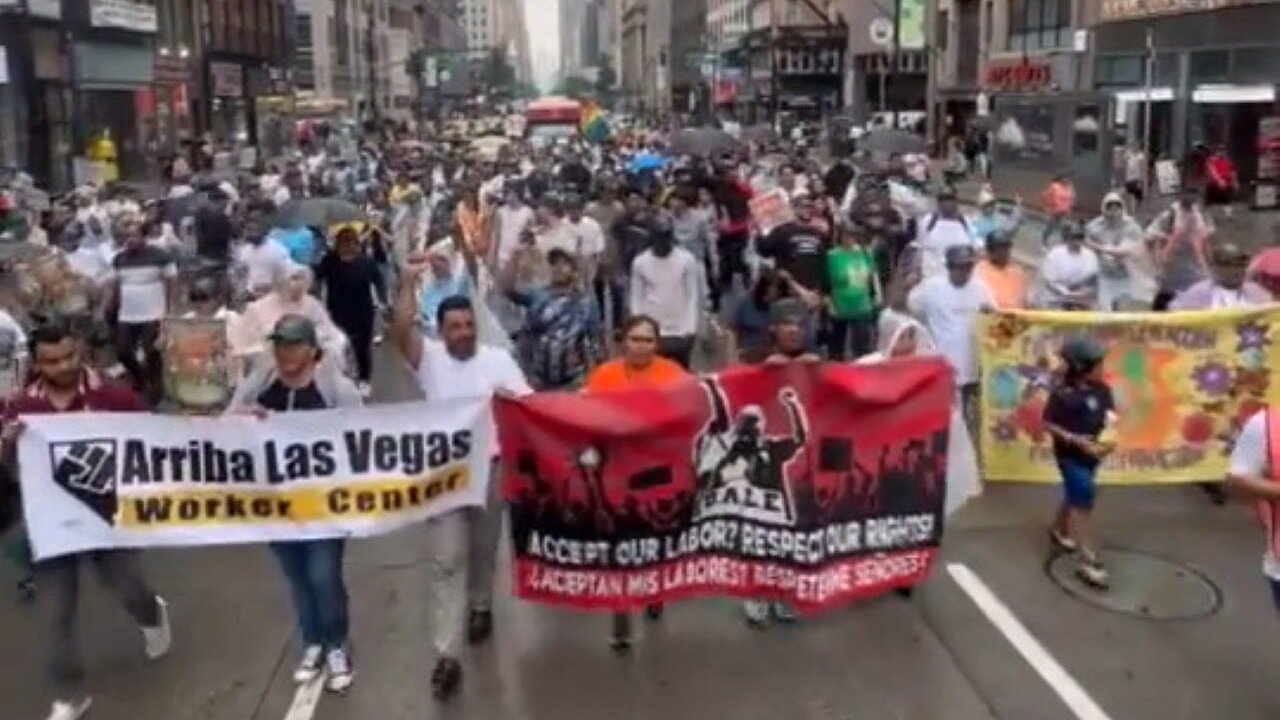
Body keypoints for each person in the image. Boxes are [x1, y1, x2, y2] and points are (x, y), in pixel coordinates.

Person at [1, 320, 172, 720]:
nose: (62, 366)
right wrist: (8, 443)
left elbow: (154, 439)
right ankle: (69, 695)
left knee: (127, 586)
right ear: (37, 363)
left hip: (106, 516)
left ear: (80, 352)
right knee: (57, 614)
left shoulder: (113, 396)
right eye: (51, 361)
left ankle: (151, 614)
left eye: (68, 357)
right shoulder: (22, 407)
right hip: (50, 523)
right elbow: (9, 466)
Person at [393, 258, 532, 701]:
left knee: (483, 549)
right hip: (447, 478)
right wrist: (408, 283)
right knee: (446, 561)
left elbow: (531, 408)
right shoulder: (428, 359)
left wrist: (516, 405)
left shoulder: (498, 361)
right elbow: (401, 329)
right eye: (455, 326)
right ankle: (446, 656)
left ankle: (481, 605)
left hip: (491, 471)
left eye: (469, 324)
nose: (465, 333)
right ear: (440, 331)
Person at [226, 315, 361, 692]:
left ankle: (337, 644)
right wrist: (243, 418)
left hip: (324, 506)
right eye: (280, 344)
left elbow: (364, 437)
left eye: (293, 344)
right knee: (298, 578)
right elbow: (225, 424)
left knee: (323, 576)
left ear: (310, 349)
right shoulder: (261, 382)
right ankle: (312, 642)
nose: (285, 352)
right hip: (276, 506)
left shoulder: (336, 388)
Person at [583, 314, 688, 650]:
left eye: (648, 340)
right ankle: (621, 619)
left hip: (658, 472)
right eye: (635, 339)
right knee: (619, 546)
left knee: (654, 539)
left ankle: (655, 591)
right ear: (622, 341)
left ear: (657, 344)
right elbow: (585, 415)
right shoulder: (605, 375)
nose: (641, 346)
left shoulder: (673, 375)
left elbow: (693, 410)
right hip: (615, 472)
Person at [742, 297, 816, 628]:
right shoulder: (755, 363)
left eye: (800, 324)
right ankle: (756, 594)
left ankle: (785, 594)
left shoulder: (817, 364)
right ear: (773, 328)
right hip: (757, 473)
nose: (794, 330)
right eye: (788, 324)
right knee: (756, 537)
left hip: (798, 469)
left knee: (791, 535)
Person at [1043, 336, 1116, 589]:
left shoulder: (1103, 390)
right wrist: (1074, 439)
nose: (1102, 369)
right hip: (1070, 455)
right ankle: (1089, 560)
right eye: (1097, 364)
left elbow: (1109, 418)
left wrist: (1108, 441)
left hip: (1092, 455)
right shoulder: (1063, 394)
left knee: (1076, 494)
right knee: (1083, 499)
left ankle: (1057, 529)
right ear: (1081, 367)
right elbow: (1049, 424)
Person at [907, 245, 993, 428]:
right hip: (943, 363)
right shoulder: (932, 287)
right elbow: (912, 306)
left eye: (968, 267)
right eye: (960, 267)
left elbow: (994, 315)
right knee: (944, 415)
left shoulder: (981, 288)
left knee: (966, 416)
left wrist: (990, 313)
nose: (965, 272)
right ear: (949, 267)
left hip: (971, 363)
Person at [103, 211, 178, 404]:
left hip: (153, 312)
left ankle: (156, 388)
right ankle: (140, 378)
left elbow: (172, 283)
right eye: (126, 237)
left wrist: (169, 311)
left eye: (134, 236)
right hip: (127, 314)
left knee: (151, 351)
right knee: (123, 351)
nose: (129, 240)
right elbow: (116, 285)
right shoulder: (119, 259)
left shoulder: (161, 256)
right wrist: (111, 305)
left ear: (143, 236)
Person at [506, 248, 603, 390]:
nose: (558, 268)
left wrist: (593, 380)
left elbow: (595, 342)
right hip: (535, 378)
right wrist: (516, 253)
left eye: (564, 264)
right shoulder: (538, 294)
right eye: (554, 264)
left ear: (575, 271)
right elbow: (508, 289)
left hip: (573, 382)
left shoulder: (585, 302)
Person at [315, 226, 387, 395]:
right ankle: (342, 379)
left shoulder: (366, 262)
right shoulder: (329, 261)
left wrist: (384, 302)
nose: (348, 247)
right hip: (337, 312)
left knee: (362, 348)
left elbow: (379, 282)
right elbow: (317, 279)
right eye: (344, 243)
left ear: (357, 244)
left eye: (351, 243)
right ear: (338, 245)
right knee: (338, 347)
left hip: (363, 312)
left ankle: (364, 379)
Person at [629, 215, 703, 369]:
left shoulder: (686, 260)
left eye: (665, 237)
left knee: (679, 374)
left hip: (680, 330)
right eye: (659, 237)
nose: (662, 242)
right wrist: (637, 327)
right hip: (652, 330)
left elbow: (692, 296)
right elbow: (636, 297)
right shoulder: (640, 262)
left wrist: (691, 327)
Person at [1147, 186, 1213, 310]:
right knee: (1164, 305)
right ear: (1181, 195)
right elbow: (1150, 234)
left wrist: (1210, 262)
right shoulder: (1170, 214)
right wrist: (1168, 238)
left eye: (1195, 196)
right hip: (1172, 268)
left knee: (1196, 304)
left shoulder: (1201, 214)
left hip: (1195, 269)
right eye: (1188, 194)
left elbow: (1206, 239)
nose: (1191, 199)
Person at [824, 220, 880, 360]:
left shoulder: (865, 253)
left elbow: (873, 275)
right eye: (845, 236)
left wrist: (878, 294)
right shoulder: (832, 256)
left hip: (862, 303)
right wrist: (829, 304)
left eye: (851, 236)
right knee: (837, 345)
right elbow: (826, 283)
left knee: (862, 344)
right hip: (840, 304)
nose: (848, 239)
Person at [1086, 192, 1148, 310]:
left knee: (1122, 311)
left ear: (1122, 208)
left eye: (1117, 207)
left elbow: (1134, 250)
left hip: (1125, 275)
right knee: (1105, 311)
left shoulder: (1132, 226)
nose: (1114, 212)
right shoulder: (1094, 227)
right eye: (1110, 208)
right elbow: (1087, 247)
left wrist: (1100, 247)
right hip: (1104, 275)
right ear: (1104, 208)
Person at [1169, 242, 1270, 310]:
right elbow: (1174, 311)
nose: (1236, 270)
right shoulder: (1199, 291)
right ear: (1216, 267)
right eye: (1229, 265)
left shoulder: (1257, 292)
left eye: (1241, 265)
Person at [236, 199, 292, 300]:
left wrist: (269, 288)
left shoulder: (279, 251)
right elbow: (241, 279)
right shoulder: (243, 251)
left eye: (257, 222)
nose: (252, 226)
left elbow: (288, 280)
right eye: (250, 222)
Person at [916, 189, 976, 279]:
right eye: (943, 200)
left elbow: (974, 246)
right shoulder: (928, 222)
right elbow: (920, 247)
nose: (947, 204)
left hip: (959, 277)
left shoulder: (965, 222)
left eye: (950, 200)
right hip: (932, 275)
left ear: (956, 202)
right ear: (938, 203)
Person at [1040, 222, 1100, 310]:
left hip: (1082, 299)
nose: (1077, 241)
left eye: (1080, 237)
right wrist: (1066, 293)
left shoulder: (1090, 255)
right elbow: (1051, 281)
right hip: (1057, 298)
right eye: (1074, 237)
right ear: (1066, 238)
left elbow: (1092, 280)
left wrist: (1082, 294)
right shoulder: (1055, 254)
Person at [973, 231, 1028, 310]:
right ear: (990, 251)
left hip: (1016, 318)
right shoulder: (979, 271)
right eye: (1000, 248)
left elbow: (1023, 302)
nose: (1004, 252)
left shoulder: (1017, 272)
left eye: (1006, 247)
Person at [1040, 173, 1075, 247]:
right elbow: (1046, 195)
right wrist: (1047, 207)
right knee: (1050, 227)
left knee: (1065, 227)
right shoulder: (1054, 186)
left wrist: (1070, 208)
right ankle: (1044, 241)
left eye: (1067, 179)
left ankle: (1064, 243)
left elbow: (1071, 199)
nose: (1066, 180)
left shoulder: (1070, 187)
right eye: (1064, 179)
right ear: (1061, 179)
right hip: (1054, 211)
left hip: (1065, 211)